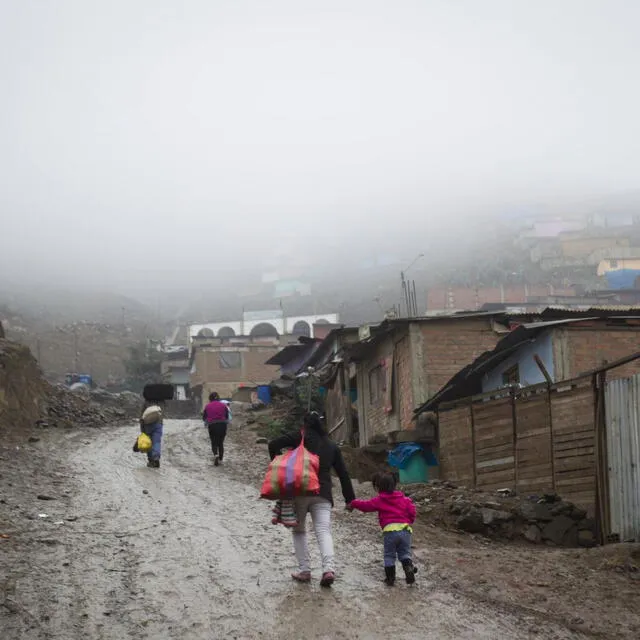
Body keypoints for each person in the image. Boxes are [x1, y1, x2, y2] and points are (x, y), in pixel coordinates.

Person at [268, 412, 355, 588]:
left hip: (299, 490)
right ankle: (328, 570)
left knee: (299, 531)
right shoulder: (331, 446)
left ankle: (305, 570)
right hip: (322, 493)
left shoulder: (300, 437)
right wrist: (349, 499)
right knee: (323, 531)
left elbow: (273, 444)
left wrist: (280, 462)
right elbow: (343, 474)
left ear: (305, 424)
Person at [347, 471, 417, 586]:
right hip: (405, 530)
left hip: (390, 532)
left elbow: (366, 506)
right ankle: (409, 569)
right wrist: (410, 520)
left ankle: (390, 578)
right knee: (404, 553)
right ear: (394, 484)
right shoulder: (404, 499)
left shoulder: (380, 500)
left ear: (379, 487)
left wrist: (354, 503)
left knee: (389, 555)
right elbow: (412, 510)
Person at [202, 392, 230, 466]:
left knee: (214, 442)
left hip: (212, 426)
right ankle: (220, 459)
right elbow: (227, 416)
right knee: (220, 443)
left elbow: (204, 417)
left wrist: (207, 421)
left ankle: (215, 454)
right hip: (222, 425)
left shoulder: (207, 406)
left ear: (210, 399)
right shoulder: (223, 405)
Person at [140, 401, 164, 469]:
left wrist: (142, 430)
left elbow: (142, 417)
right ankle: (156, 458)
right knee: (156, 441)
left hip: (147, 425)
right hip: (158, 424)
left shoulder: (146, 403)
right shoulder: (160, 402)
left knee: (149, 442)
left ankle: (151, 460)